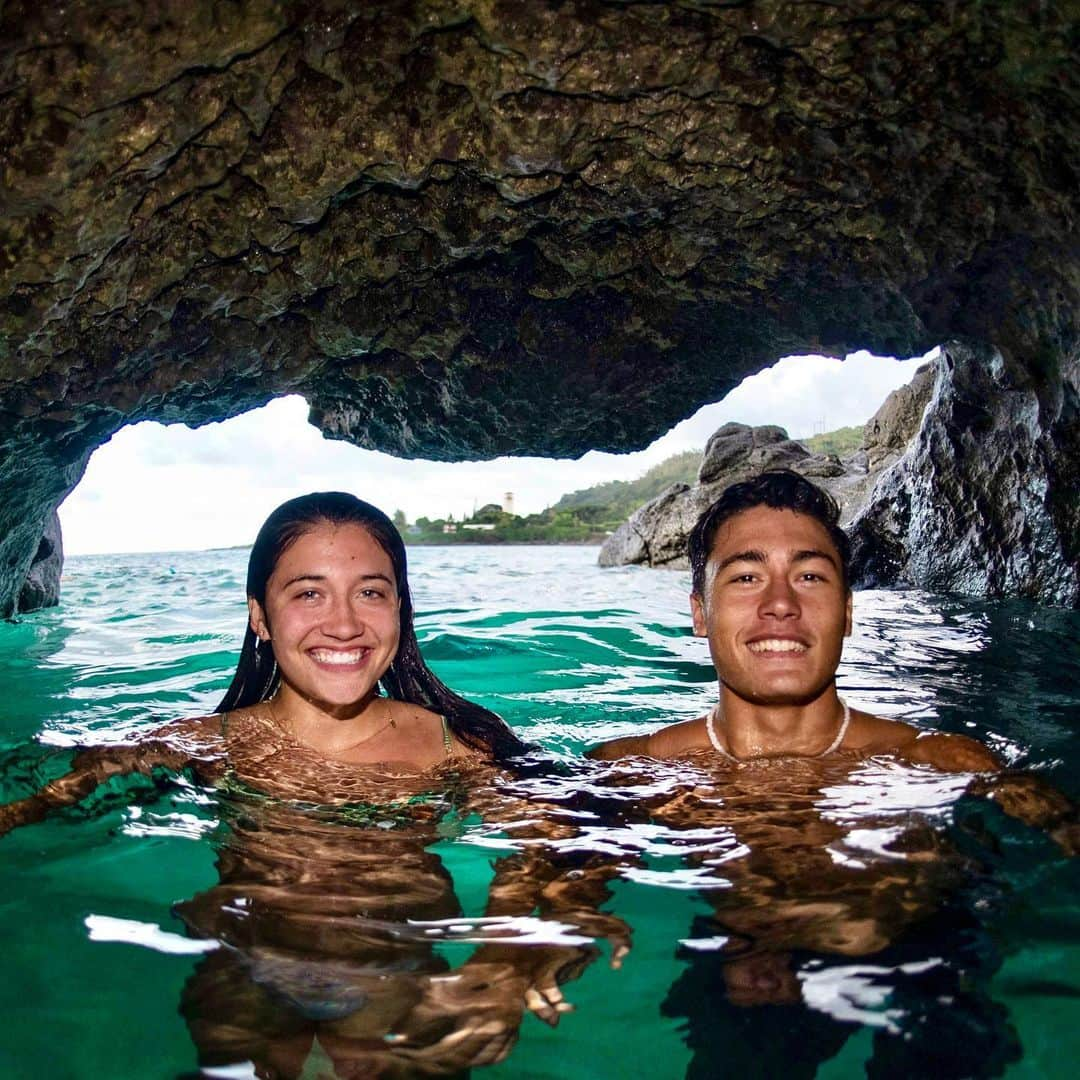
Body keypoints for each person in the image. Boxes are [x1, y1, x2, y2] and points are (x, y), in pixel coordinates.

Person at [1, 491, 527, 826]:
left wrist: (503, 964)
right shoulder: (198, 746)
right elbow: (35, 803)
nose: (344, 625)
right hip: (243, 985)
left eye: (370, 593)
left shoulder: (459, 744)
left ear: (400, 608)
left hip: (413, 980)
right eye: (308, 594)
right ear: (260, 617)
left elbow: (551, 844)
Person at [589, 469, 1001, 771]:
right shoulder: (627, 773)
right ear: (701, 613)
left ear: (846, 613)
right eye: (747, 578)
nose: (782, 603)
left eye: (809, 577)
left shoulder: (945, 768)